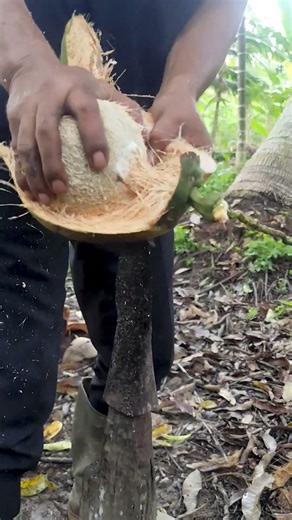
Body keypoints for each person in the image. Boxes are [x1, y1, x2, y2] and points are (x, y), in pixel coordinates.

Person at [0, 1, 247, 518]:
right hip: (17, 101)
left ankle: (100, 496)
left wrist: (180, 86)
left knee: (143, 352)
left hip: (136, 135)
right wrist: (23, 63)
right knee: (8, 376)